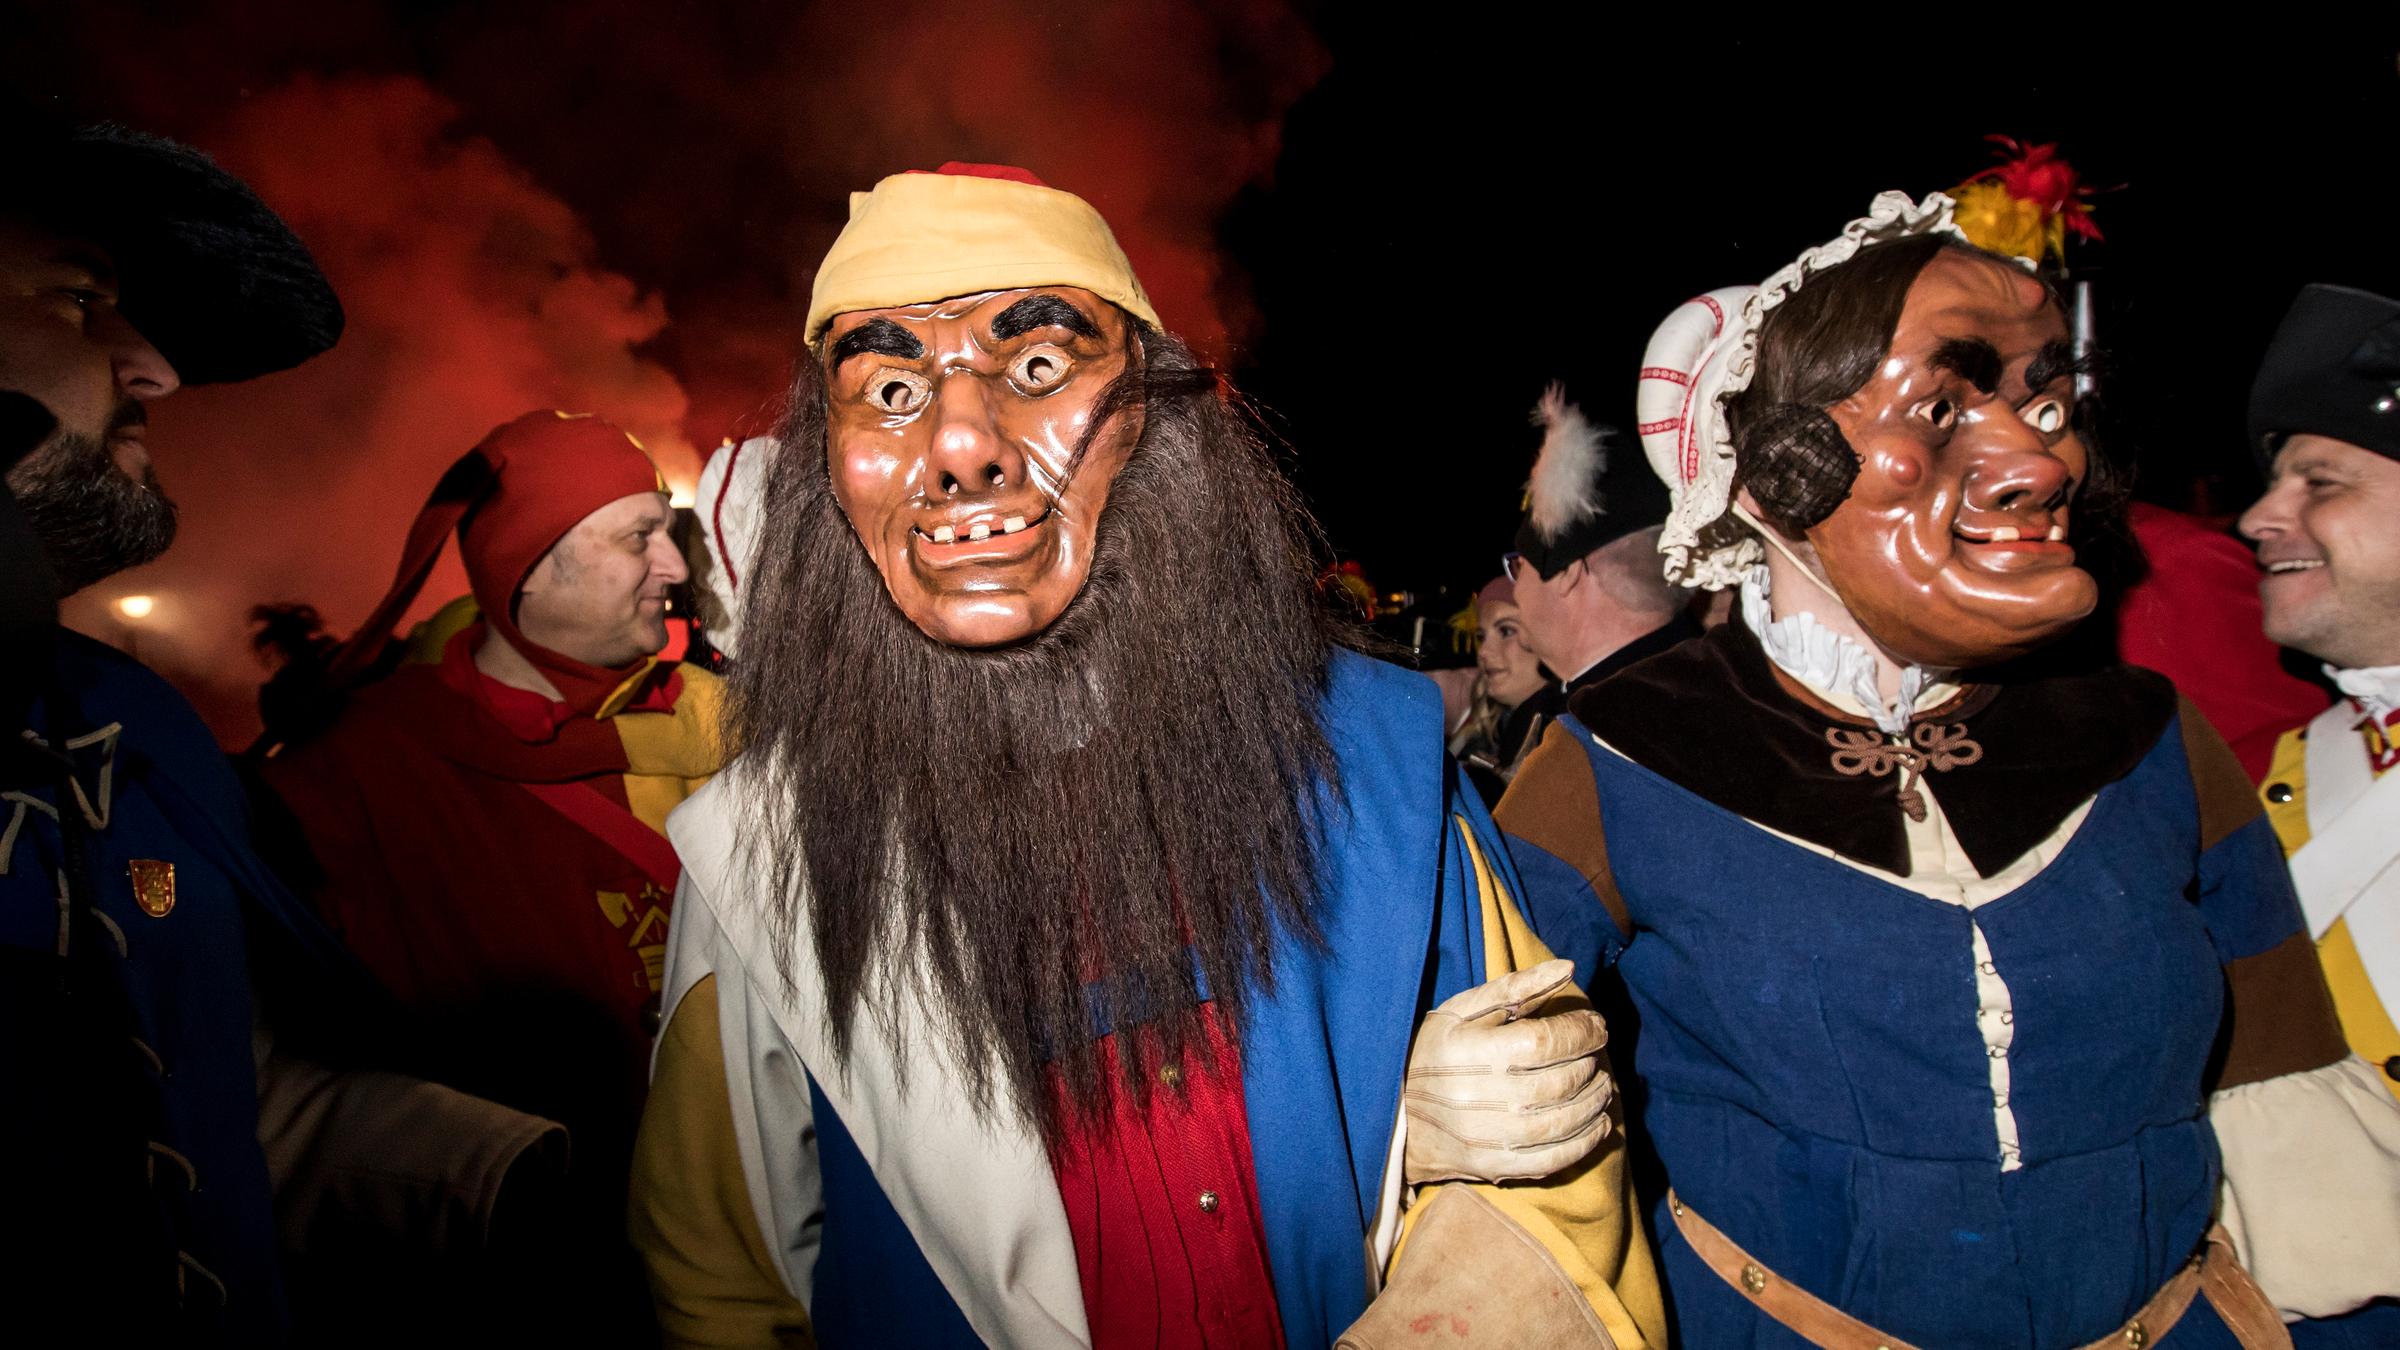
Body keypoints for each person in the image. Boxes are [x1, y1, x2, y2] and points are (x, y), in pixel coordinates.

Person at [627, 162, 1660, 1349]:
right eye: (893, 389)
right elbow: (719, 1280)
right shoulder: (765, 860)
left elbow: (1550, 1188)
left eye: (1037, 368)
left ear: (1159, 421)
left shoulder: (1372, 757)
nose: (960, 446)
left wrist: (1396, 1143)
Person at [1498, 192, 2400, 1346]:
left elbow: (2290, 1120)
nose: (2041, 459)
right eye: (1940, 408)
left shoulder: (2147, 737)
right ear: (1774, 479)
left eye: (2046, 403)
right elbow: (1480, 1115)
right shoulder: (1621, 753)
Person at [257, 409, 729, 1340]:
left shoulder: (738, 728)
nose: (675, 568)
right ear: (529, 567)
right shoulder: (355, 781)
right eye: (638, 537)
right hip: (524, 1283)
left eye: (667, 531)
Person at [1503, 386, 1694, 766]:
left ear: (1566, 572)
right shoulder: (1704, 687)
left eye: (1519, 566)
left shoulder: (1607, 726)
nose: (1515, 591)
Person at [1450, 574, 1546, 804]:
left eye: (1506, 631)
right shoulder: (1488, 737)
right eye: (1481, 636)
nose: (1483, 651)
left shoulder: (1566, 735)